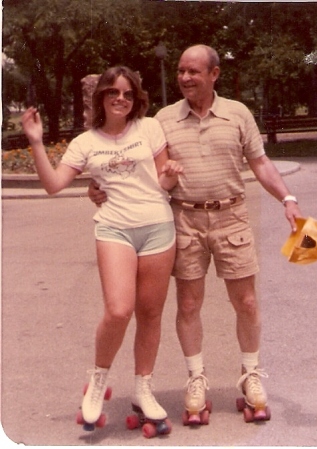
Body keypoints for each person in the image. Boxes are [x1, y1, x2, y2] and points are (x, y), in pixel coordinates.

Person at [88, 46, 302, 420]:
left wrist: (288, 197)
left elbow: (260, 162)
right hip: (184, 219)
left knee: (246, 301)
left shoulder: (237, 113)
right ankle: (195, 378)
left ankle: (250, 374)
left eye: (193, 71)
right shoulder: (162, 120)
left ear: (214, 74)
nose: (185, 78)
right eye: (181, 71)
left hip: (231, 217)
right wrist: (99, 185)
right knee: (188, 305)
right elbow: (130, 156)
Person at [21, 66, 183, 427]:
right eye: (113, 93)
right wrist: (35, 141)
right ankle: (98, 381)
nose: (121, 99)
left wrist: (171, 171)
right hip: (115, 229)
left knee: (151, 313)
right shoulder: (86, 142)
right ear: (102, 98)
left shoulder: (150, 127)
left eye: (127, 93)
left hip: (158, 225)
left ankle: (143, 388)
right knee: (118, 310)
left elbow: (163, 181)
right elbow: (53, 184)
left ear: (135, 98)